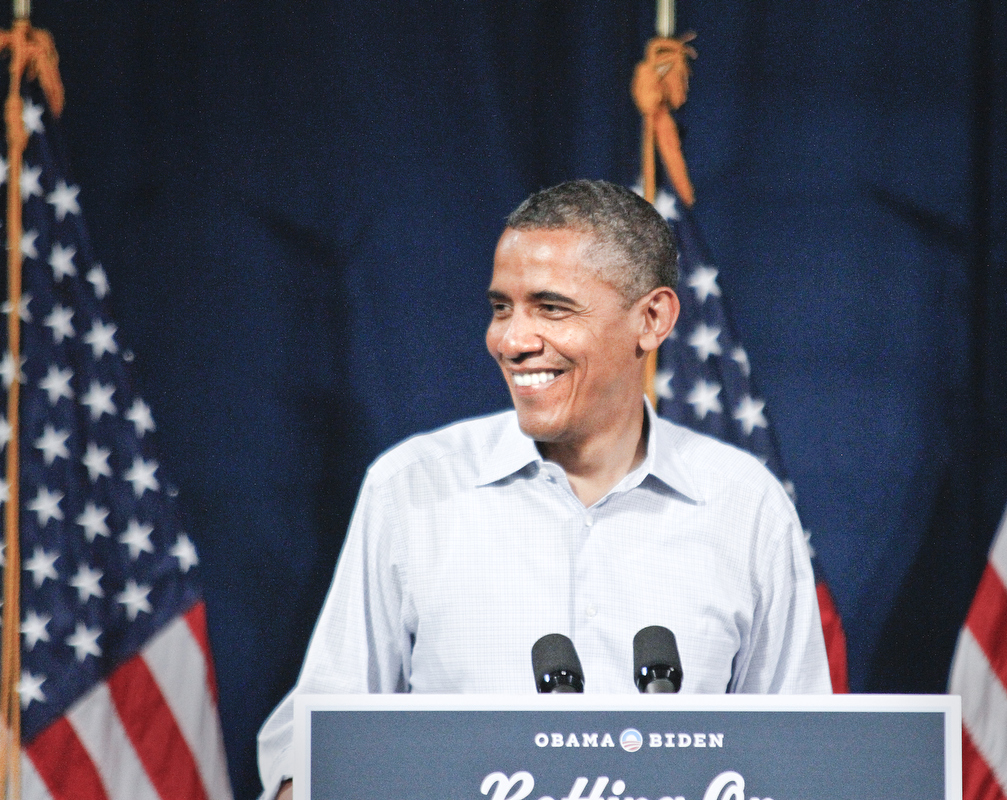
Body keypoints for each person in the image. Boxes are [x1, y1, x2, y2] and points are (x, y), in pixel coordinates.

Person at [256, 180, 831, 800]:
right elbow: (320, 744)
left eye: (552, 308)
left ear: (653, 318)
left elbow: (797, 760)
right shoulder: (413, 487)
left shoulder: (745, 505)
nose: (511, 340)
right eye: (502, 307)